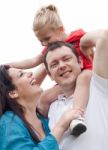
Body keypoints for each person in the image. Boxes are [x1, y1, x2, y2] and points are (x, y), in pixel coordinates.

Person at [7, 4, 94, 136]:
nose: (44, 44)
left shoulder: (77, 36)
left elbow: (95, 40)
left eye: (46, 39)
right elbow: (32, 61)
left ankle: (77, 116)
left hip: (85, 74)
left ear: (60, 29)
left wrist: (87, 45)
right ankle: (45, 128)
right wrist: (8, 66)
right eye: (41, 41)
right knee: (45, 96)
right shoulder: (48, 50)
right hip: (65, 82)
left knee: (83, 78)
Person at [42, 29, 108, 150]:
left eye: (66, 59)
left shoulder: (98, 85)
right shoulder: (50, 107)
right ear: (50, 75)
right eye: (54, 64)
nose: (62, 66)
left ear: (80, 62)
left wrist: (83, 42)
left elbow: (105, 36)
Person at [0, 65, 82, 150]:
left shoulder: (44, 120)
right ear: (13, 93)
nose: (30, 73)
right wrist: (60, 126)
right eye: (21, 74)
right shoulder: (8, 123)